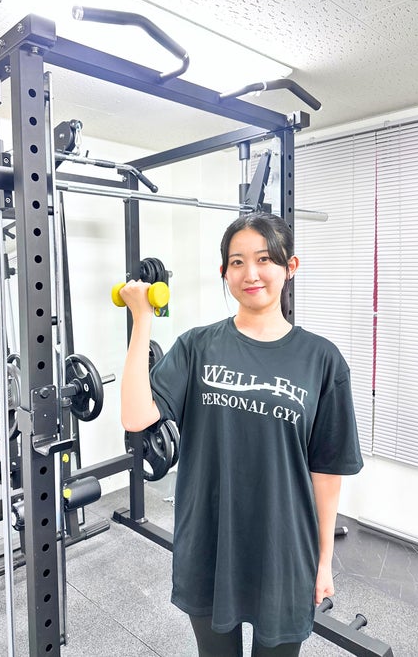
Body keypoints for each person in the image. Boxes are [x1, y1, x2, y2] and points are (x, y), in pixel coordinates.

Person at [119, 211, 364, 657]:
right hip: (209, 544)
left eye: (265, 259)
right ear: (224, 271)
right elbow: (136, 417)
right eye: (237, 262)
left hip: (284, 550)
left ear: (290, 267)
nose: (251, 273)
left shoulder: (322, 360)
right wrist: (142, 321)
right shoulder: (197, 346)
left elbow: (327, 471)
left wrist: (324, 560)